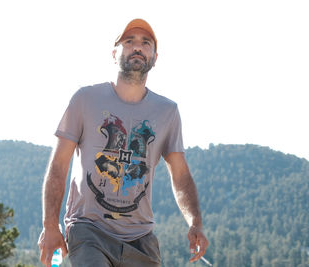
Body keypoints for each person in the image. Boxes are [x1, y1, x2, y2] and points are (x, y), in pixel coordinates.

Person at [38, 18, 209, 267]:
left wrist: (195, 222)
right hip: (88, 230)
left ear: (155, 56)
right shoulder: (85, 99)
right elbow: (58, 166)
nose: (137, 47)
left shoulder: (167, 112)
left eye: (145, 43)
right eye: (129, 41)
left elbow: (181, 175)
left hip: (140, 239)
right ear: (114, 53)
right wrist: (50, 226)